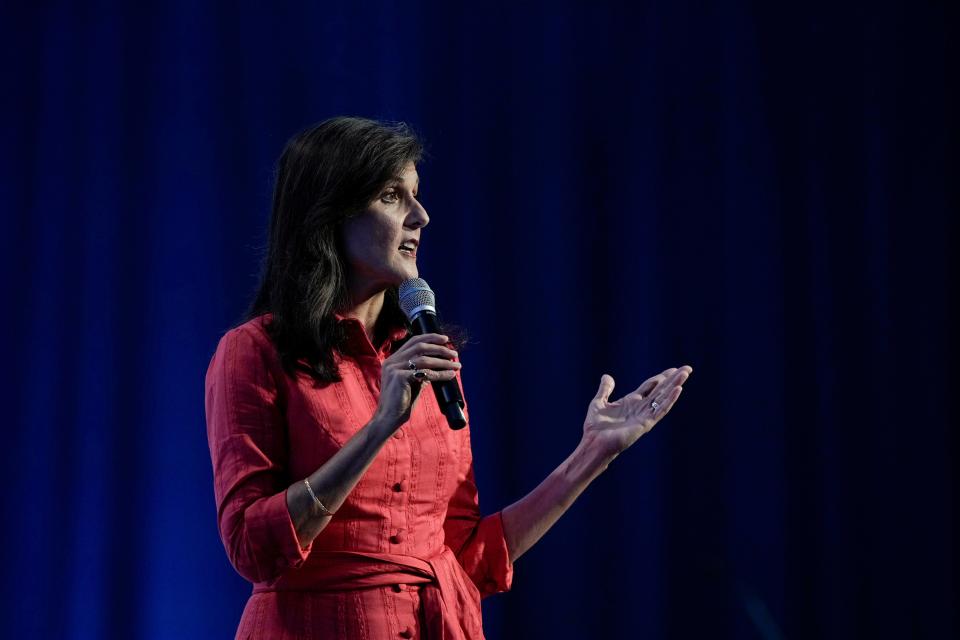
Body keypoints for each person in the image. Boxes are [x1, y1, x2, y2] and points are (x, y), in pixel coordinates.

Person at [204, 116, 693, 639]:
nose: (422, 216)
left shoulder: (429, 358)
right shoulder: (254, 352)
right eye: (393, 196)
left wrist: (591, 455)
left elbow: (467, 558)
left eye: (417, 194)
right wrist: (378, 428)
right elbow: (251, 546)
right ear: (328, 213)